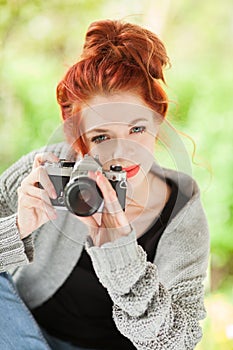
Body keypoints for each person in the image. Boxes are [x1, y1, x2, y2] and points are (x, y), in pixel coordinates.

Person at [0, 19, 209, 350]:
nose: (122, 152)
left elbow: (177, 343)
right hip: (24, 335)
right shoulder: (53, 168)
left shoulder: (181, 210)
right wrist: (17, 227)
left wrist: (119, 253)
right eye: (101, 136)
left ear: (158, 120)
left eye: (137, 129)